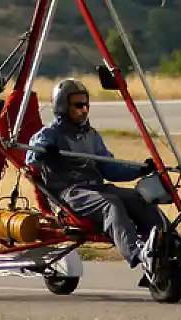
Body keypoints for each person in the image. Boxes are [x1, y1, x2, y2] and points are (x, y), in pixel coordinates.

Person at [25, 78, 167, 278]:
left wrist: (140, 170)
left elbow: (109, 168)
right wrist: (44, 152)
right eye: (78, 105)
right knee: (111, 204)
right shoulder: (48, 134)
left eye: (86, 105)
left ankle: (170, 244)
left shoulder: (91, 136)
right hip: (69, 194)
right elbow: (30, 158)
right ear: (63, 106)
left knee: (140, 198)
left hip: (96, 189)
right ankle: (137, 253)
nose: (84, 110)